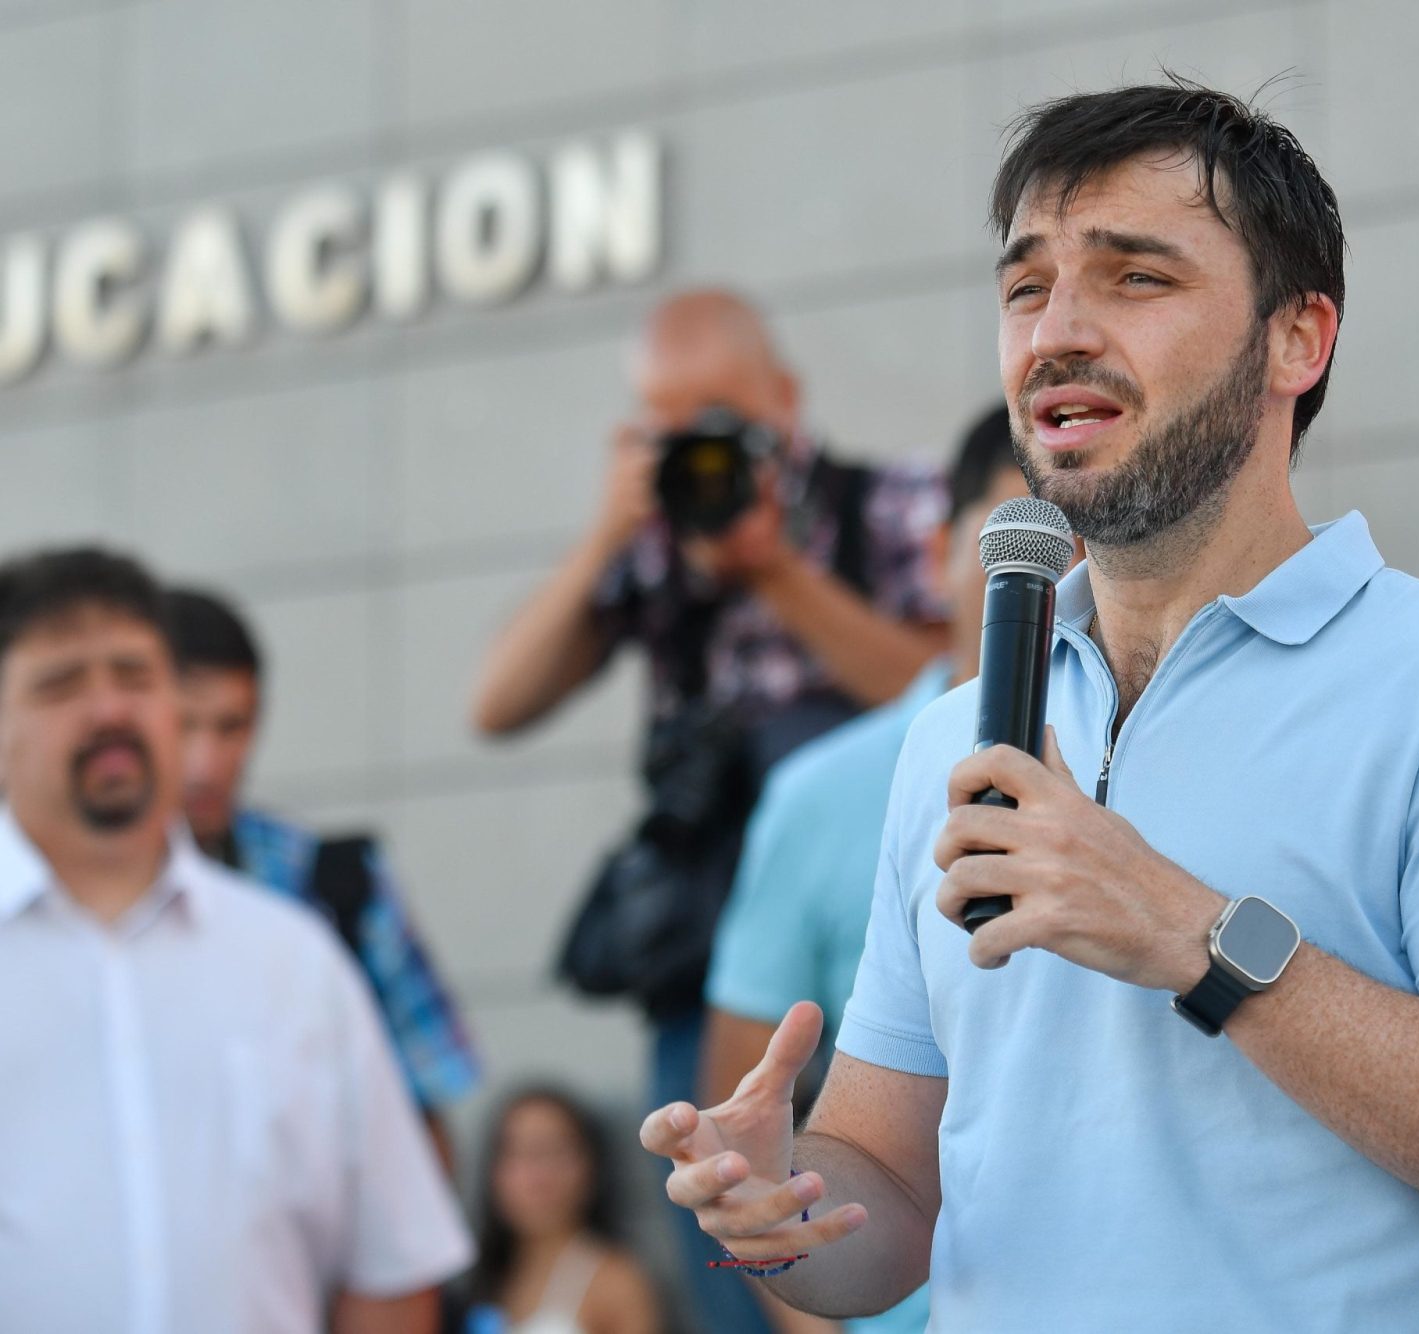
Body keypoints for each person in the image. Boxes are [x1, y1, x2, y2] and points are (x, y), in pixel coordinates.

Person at [642, 80, 1419, 1332]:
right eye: (1025, 289)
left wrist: (1189, 933)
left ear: (1299, 338)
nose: (1055, 331)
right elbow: (894, 1197)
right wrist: (778, 1208)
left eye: (1133, 278)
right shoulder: (944, 742)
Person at [472, 288, 948, 1334]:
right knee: (726, 1217)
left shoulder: (894, 503)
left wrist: (774, 571)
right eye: (669, 421)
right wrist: (608, 531)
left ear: (784, 397)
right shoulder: (649, 544)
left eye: (721, 412)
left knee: (896, 1218)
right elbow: (496, 702)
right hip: (711, 953)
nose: (700, 445)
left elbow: (947, 684)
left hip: (875, 924)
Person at [0, 546, 471, 1332]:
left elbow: (391, 1269)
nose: (110, 710)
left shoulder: (296, 960)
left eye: (137, 676)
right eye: (62, 684)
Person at [697, 403, 1031, 1334]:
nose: (1051, 563)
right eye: (1012, 527)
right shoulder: (824, 793)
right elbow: (741, 1087)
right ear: (935, 552)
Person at [163, 586, 480, 1165]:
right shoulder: (57, 895)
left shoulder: (332, 882)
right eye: (183, 725)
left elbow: (421, 1108)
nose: (205, 762)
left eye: (230, 726)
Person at [465, 1086, 662, 1334]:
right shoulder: (482, 1279)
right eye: (518, 1154)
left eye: (554, 1152)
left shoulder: (617, 1282)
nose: (536, 1176)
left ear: (591, 1167)